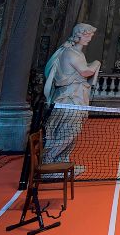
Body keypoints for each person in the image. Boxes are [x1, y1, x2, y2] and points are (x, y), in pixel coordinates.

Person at [42, 23, 101, 166]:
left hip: (75, 98)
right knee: (68, 133)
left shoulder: (77, 53)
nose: (89, 38)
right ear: (78, 35)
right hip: (69, 100)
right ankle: (48, 161)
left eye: (90, 35)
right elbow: (86, 72)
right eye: (87, 35)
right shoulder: (70, 53)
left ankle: (61, 161)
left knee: (71, 133)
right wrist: (96, 63)